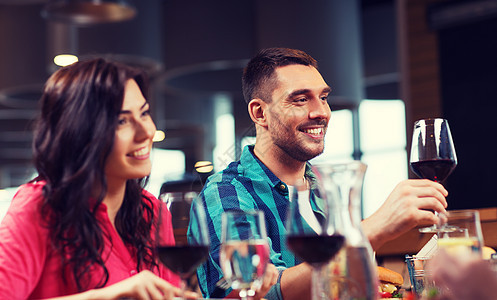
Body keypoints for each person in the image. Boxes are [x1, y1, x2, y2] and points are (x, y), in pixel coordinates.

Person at [188, 47, 449, 300]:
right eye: (301, 99)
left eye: (323, 98)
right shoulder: (225, 193)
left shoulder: (323, 187)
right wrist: (368, 231)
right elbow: (262, 291)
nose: (321, 112)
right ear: (260, 113)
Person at [0, 58, 198, 299]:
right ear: (81, 132)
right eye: (122, 121)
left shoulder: (153, 212)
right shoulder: (40, 207)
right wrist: (107, 296)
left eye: (144, 113)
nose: (147, 131)